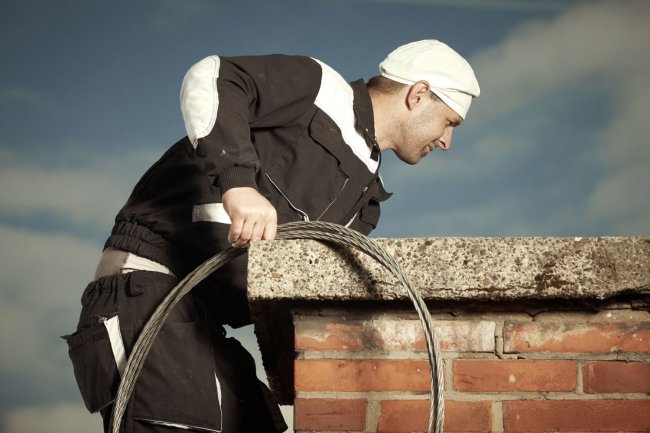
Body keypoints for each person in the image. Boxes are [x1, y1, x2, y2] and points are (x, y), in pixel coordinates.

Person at [65, 39, 480, 433]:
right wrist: (238, 183)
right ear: (419, 93)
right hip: (149, 294)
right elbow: (213, 76)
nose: (447, 141)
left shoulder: (366, 202)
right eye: (449, 122)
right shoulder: (320, 89)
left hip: (205, 326)